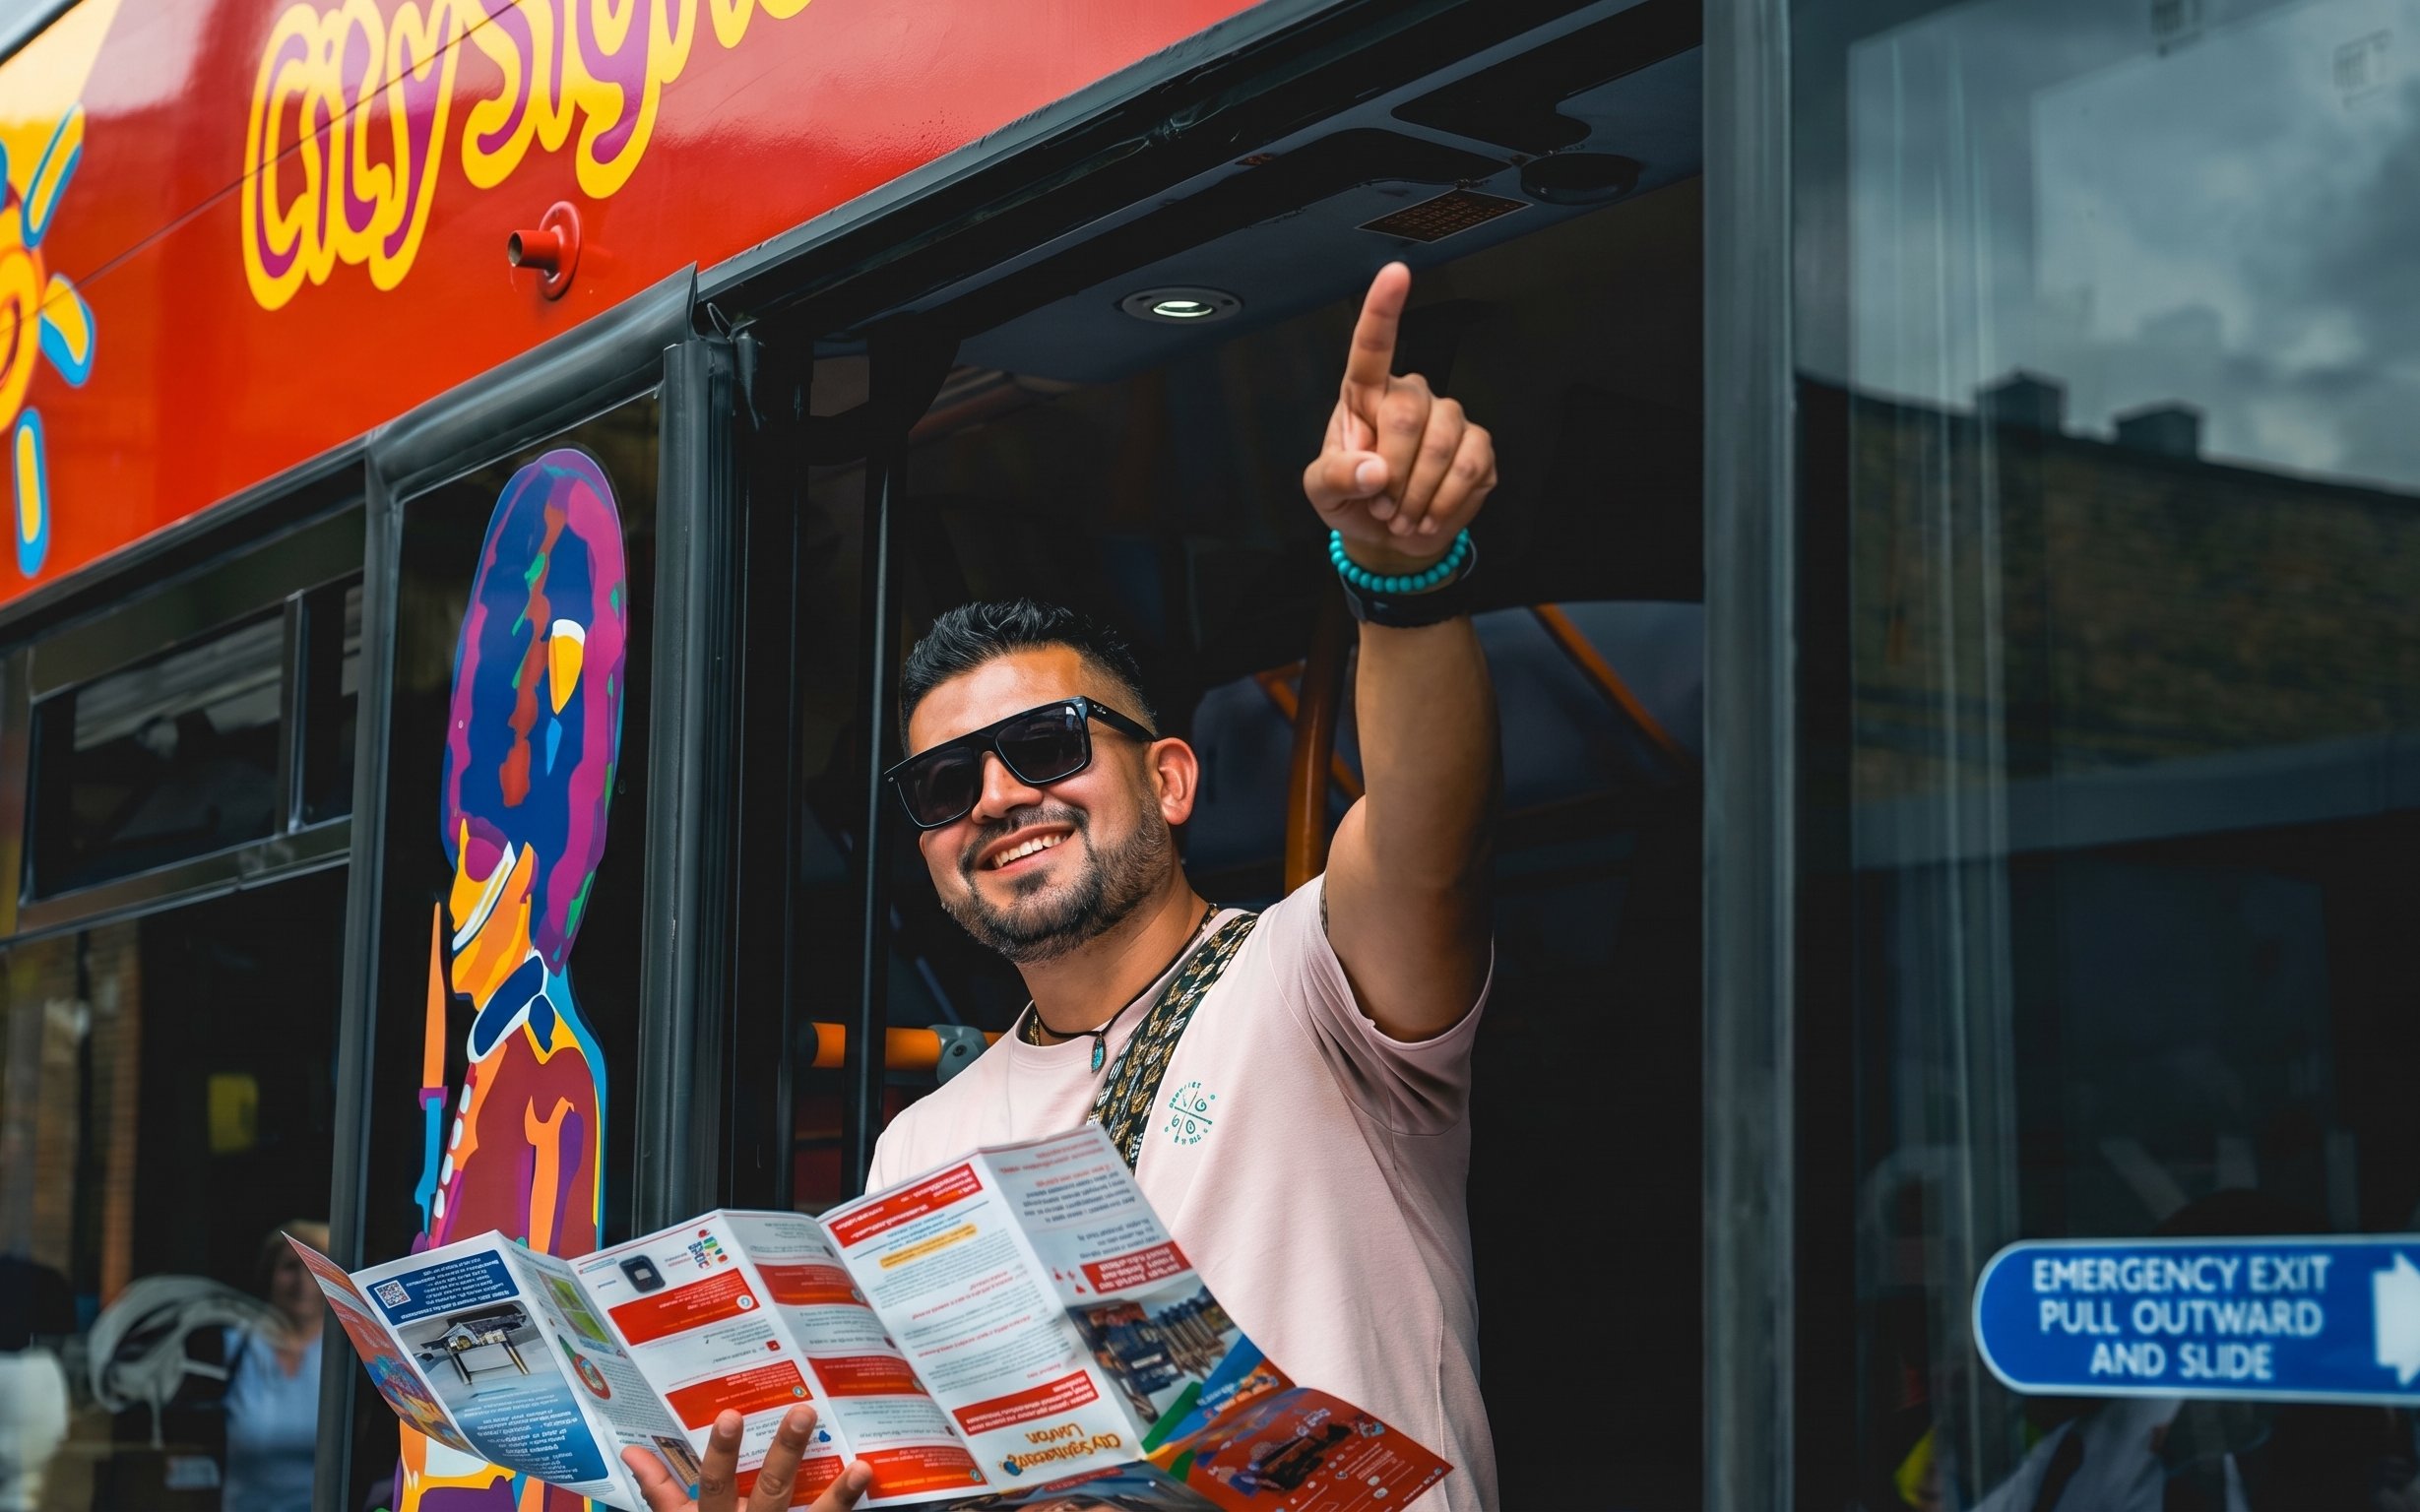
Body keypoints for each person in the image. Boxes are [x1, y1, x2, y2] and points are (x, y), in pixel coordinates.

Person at [626, 261, 1497, 1512]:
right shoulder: (916, 1150)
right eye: (941, 786)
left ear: (1174, 780)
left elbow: (1430, 829)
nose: (992, 798)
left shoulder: (1311, 980)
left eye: (1044, 748)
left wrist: (1401, 577)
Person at [221, 1220, 332, 1512]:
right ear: (269, 1273)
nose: (302, 1282)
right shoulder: (231, 1348)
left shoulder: (350, 1358)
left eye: (313, 1269)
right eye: (290, 1267)